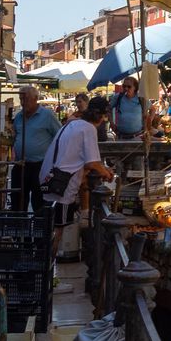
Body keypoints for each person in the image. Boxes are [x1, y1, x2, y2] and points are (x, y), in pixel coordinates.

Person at [39, 95, 114, 261]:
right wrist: (107, 173)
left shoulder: (73, 124)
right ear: (101, 117)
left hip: (49, 179)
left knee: (53, 227)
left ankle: (46, 273)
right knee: (57, 231)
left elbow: (79, 159)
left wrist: (103, 168)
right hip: (61, 186)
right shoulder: (88, 129)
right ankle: (47, 275)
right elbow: (93, 162)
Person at [12, 86, 62, 213]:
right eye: (21, 99)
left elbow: (60, 136)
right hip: (21, 164)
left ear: (35, 99)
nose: (23, 102)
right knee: (18, 199)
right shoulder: (18, 117)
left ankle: (40, 228)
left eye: (26, 99)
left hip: (40, 165)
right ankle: (18, 228)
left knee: (39, 200)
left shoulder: (47, 115)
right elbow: (15, 136)